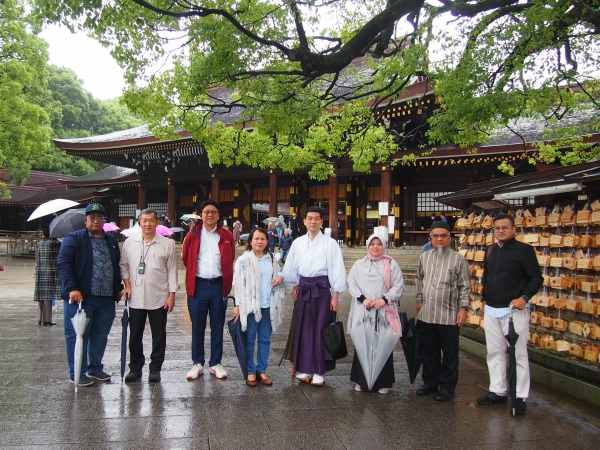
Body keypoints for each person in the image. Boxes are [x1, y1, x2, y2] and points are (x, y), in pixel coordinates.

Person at [478, 214, 543, 415]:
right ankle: (497, 391)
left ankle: (520, 396)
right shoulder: (490, 251)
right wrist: (484, 298)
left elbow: (536, 278)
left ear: (514, 229)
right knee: (495, 352)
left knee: (518, 354)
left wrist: (524, 297)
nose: (501, 231)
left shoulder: (524, 250)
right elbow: (487, 276)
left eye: (505, 227)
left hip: (514, 310)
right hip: (492, 309)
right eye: (497, 228)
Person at [282, 206, 348, 386]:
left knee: (321, 329)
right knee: (303, 328)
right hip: (303, 288)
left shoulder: (330, 243)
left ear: (321, 221)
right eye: (309, 218)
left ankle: (319, 370)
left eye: (316, 218)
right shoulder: (297, 243)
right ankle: (304, 368)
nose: (312, 221)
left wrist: (335, 295)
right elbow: (292, 267)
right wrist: (293, 284)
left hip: (322, 289)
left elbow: (337, 270)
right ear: (304, 221)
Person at [57, 203, 122, 387]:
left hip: (106, 297)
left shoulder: (110, 240)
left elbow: (115, 265)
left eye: (100, 218)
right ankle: (77, 371)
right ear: (85, 220)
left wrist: (118, 287)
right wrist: (72, 288)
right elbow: (64, 264)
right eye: (92, 218)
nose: (96, 221)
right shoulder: (74, 238)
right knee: (78, 335)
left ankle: (95, 367)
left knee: (101, 335)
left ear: (104, 220)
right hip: (82, 296)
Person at [120, 208, 179, 383]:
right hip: (136, 297)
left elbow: (172, 271)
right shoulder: (130, 243)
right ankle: (135, 367)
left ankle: (155, 368)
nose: (147, 224)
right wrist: (127, 286)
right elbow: (123, 266)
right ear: (139, 222)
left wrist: (172, 295)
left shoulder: (167, 244)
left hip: (159, 296)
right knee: (135, 334)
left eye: (151, 221)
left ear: (157, 222)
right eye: (144, 221)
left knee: (159, 334)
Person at [415, 221, 471, 401]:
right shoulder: (424, 257)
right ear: (430, 239)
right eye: (435, 236)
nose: (439, 239)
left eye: (443, 236)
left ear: (449, 238)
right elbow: (418, 280)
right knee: (428, 351)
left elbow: (465, 286)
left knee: (449, 353)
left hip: (449, 314)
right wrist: (418, 300)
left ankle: (447, 387)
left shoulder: (458, 259)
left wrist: (464, 308)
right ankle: (430, 383)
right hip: (427, 314)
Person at [181, 199, 235, 381]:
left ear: (219, 216)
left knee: (217, 325)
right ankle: (197, 362)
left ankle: (215, 362)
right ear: (201, 215)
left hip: (219, 286)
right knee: (197, 325)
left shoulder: (227, 236)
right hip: (198, 285)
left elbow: (230, 259)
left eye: (213, 212)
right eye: (206, 212)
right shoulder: (193, 235)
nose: (210, 214)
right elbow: (186, 258)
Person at [347, 234, 404, 394]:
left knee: (382, 344)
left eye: (379, 244)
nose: (376, 247)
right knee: (363, 343)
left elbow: (398, 286)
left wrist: (384, 300)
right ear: (368, 246)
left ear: (384, 246)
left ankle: (382, 381)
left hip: (384, 310)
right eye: (372, 244)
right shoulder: (359, 265)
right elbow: (352, 283)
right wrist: (363, 299)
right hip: (364, 309)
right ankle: (361, 380)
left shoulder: (392, 265)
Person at [232, 228, 285, 386]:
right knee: (249, 340)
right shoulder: (243, 260)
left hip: (268, 305)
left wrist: (280, 277)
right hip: (250, 307)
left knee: (265, 340)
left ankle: (261, 369)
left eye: (263, 239)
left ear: (267, 241)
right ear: (250, 241)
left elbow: (279, 273)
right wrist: (237, 305)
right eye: (256, 239)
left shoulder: (271, 259)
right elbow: (239, 285)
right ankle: (250, 371)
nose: (259, 242)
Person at [34, 227, 61, 326]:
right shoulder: (57, 243)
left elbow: (36, 257)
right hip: (52, 271)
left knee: (41, 295)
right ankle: (47, 319)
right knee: (48, 296)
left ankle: (39, 318)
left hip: (41, 270)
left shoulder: (39, 244)